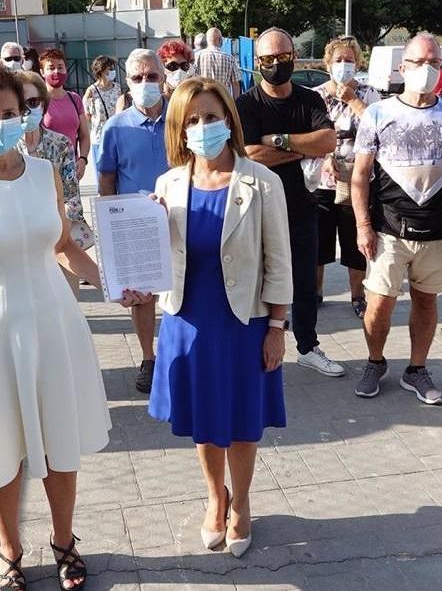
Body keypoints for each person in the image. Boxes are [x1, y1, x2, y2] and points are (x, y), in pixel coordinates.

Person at [0, 66, 146, 591]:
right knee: (1, 446)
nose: (3, 123)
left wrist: (115, 283)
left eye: (12, 113)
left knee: (58, 440)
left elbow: (63, 246)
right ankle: (9, 551)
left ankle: (65, 542)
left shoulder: (42, 172)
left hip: (55, 320)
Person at [150, 77, 292, 558]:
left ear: (229, 119)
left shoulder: (261, 182)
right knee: (206, 422)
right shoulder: (167, 184)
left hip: (243, 322)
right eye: (191, 120)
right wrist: (145, 227)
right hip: (187, 322)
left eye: (211, 117)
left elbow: (279, 260)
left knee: (242, 422)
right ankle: (216, 498)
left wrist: (276, 327)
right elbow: (156, 258)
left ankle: (243, 502)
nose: (203, 127)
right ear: (178, 129)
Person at [350, 33, 442, 405]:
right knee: (379, 303)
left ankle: (416, 369)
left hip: (437, 231)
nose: (427, 69)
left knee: (426, 301)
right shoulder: (378, 114)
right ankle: (375, 361)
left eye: (434, 63)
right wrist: (362, 226)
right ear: (402, 68)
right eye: (419, 62)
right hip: (388, 229)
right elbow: (359, 176)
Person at [235, 27, 342, 377]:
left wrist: (279, 141)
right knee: (256, 280)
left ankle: (308, 346)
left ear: (294, 58)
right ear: (258, 63)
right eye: (268, 59)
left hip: (300, 207)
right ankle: (259, 344)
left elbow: (327, 141)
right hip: (254, 210)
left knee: (304, 283)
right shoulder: (246, 104)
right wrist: (300, 148)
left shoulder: (309, 100)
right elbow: (250, 154)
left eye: (282, 57)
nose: (275, 64)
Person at [98, 48, 171, 393]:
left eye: (152, 76)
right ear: (128, 82)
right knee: (141, 296)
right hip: (136, 224)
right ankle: (149, 357)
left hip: (182, 219)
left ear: (164, 77)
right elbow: (107, 179)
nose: (146, 83)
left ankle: (178, 354)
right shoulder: (115, 128)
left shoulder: (182, 120)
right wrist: (110, 230)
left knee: (183, 289)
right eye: (139, 78)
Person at [312, 36, 379, 317]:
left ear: (358, 63)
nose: (343, 65)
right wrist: (325, 156)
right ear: (328, 64)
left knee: (355, 239)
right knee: (318, 241)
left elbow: (378, 128)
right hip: (323, 179)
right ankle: (315, 295)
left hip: (358, 179)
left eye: (349, 60)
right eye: (338, 60)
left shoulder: (369, 93)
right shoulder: (315, 95)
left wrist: (352, 100)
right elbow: (312, 133)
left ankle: (357, 295)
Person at [14, 69, 92, 295]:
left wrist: (57, 232)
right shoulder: (4, 148)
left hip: (58, 239)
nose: (26, 109)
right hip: (18, 243)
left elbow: (71, 198)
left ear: (43, 104)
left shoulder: (60, 144)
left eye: (33, 101)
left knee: (66, 305)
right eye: (19, 103)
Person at [39, 48, 90, 179]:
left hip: (71, 171)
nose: (56, 71)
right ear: (42, 72)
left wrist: (83, 159)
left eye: (60, 67)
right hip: (46, 171)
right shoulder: (38, 101)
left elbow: (84, 134)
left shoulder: (75, 99)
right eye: (51, 68)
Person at [82, 55, 122, 170]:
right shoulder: (92, 91)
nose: (112, 71)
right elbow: (87, 116)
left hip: (117, 136)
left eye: (113, 68)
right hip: (99, 138)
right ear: (101, 70)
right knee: (102, 175)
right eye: (110, 69)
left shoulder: (117, 88)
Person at [196, 27, 241, 97]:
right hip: (223, 100)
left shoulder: (197, 56)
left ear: (207, 40)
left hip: (202, 99)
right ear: (220, 40)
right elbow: (235, 84)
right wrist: (236, 102)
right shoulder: (230, 58)